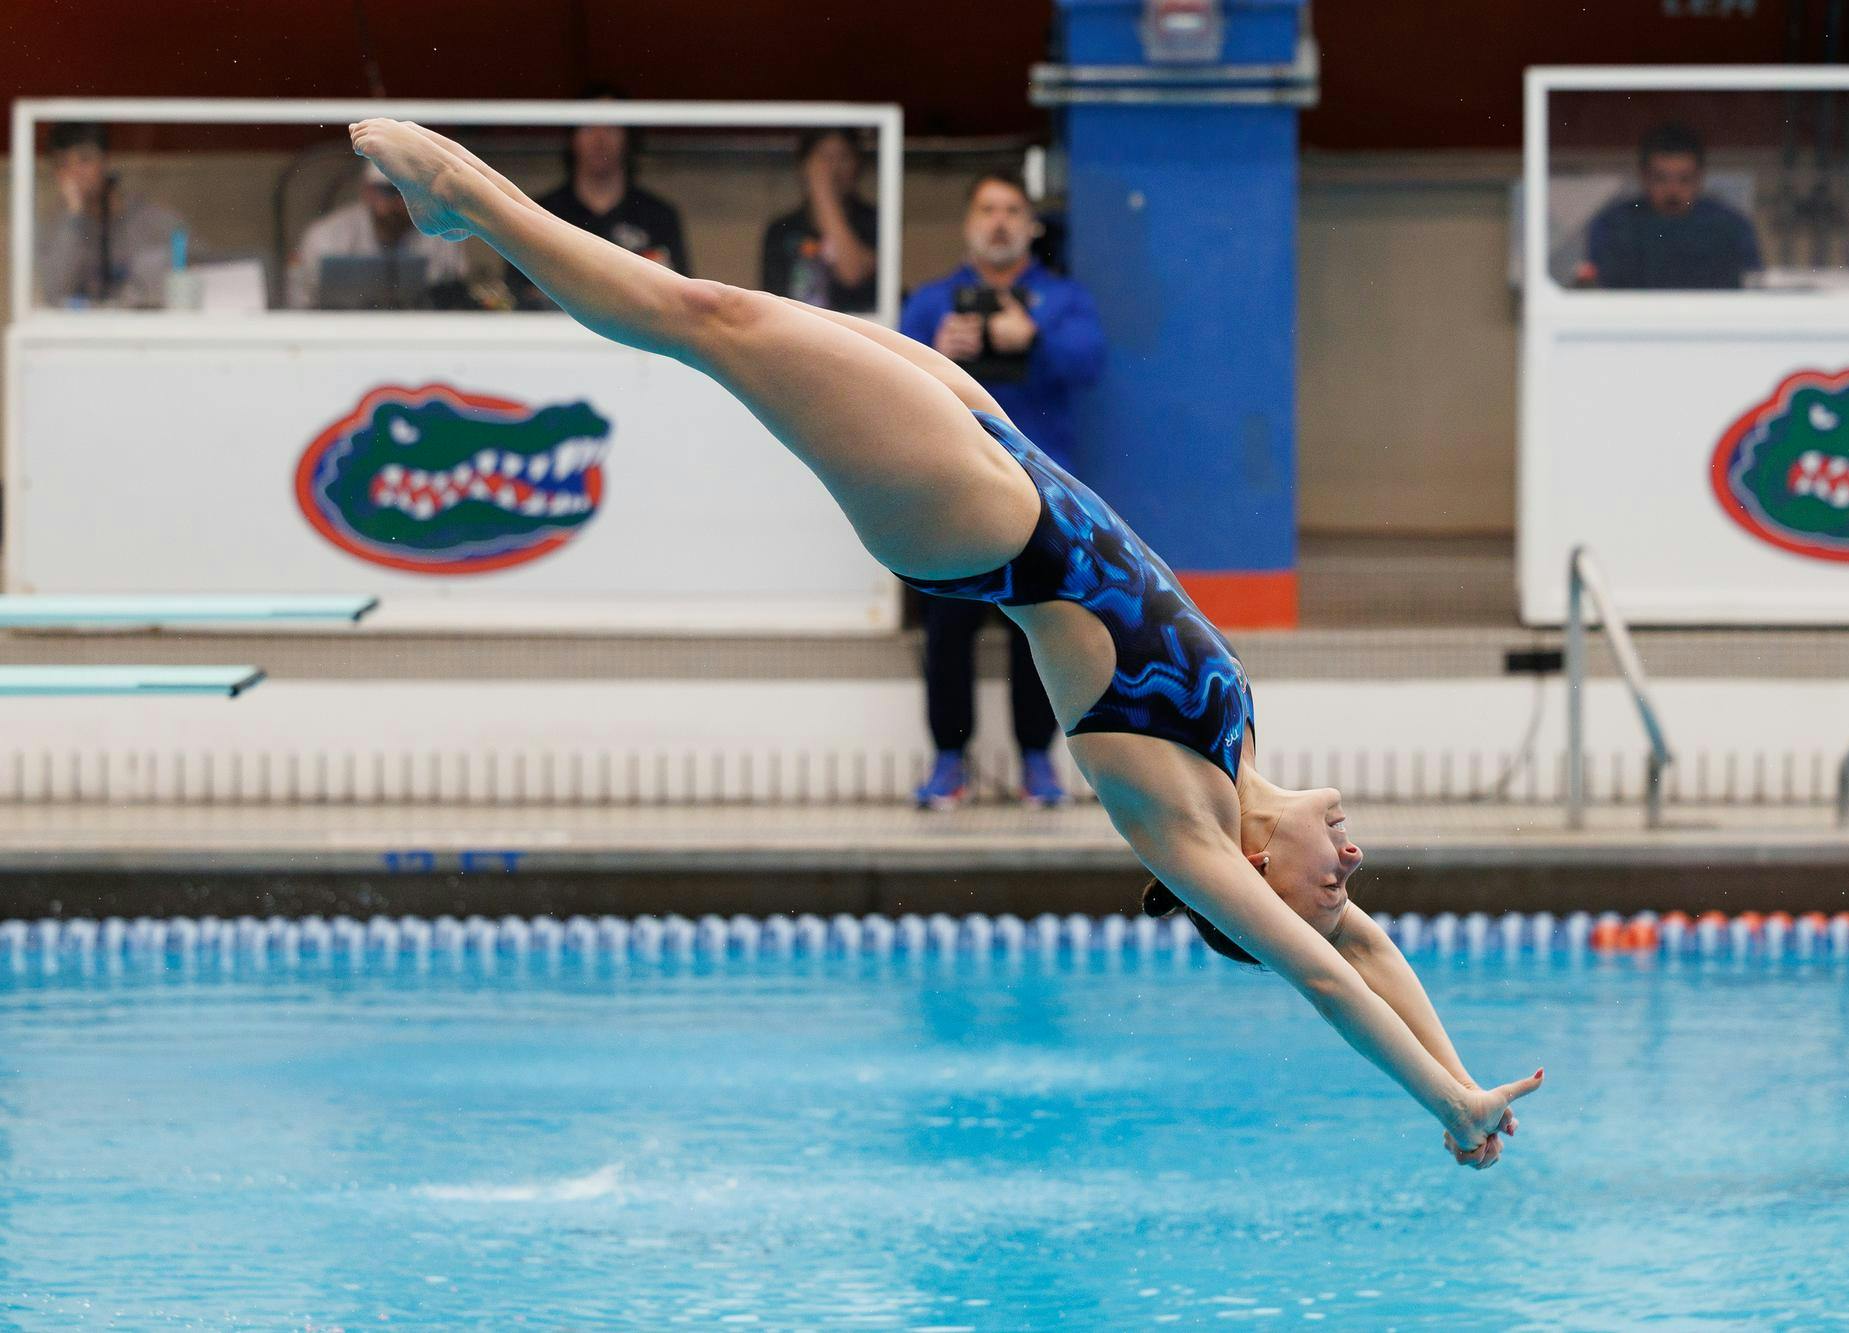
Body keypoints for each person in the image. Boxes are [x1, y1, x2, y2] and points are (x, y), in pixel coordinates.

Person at [350, 117, 1542, 1169]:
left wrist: (1437, 1100)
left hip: (970, 519)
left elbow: (1329, 974)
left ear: (1254, 892)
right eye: (1346, 883)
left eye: (1325, 886)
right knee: (728, 315)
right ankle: (463, 199)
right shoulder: (1236, 754)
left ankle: (463, 200)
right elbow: (1370, 949)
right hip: (1005, 450)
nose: (1348, 866)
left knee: (705, 321)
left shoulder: (1178, 823)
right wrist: (1467, 1080)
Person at [900, 171, 1108, 809]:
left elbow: (1090, 362)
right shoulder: (934, 303)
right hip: (955, 492)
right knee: (949, 626)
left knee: (1041, 628)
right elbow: (889, 378)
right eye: (987, 209)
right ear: (969, 224)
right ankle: (947, 760)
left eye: (1012, 211)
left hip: (1041, 492)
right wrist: (937, 355)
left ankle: (1038, 761)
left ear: (1031, 226)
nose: (999, 222)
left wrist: (1034, 339)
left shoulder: (1062, 301)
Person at [508, 94, 692, 310]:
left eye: (611, 127)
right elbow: (517, 295)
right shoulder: (539, 212)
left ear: (628, 137)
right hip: (554, 338)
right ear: (572, 137)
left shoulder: (658, 215)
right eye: (588, 127)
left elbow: (681, 299)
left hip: (636, 340)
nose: (600, 138)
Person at [1579, 123, 1762, 290]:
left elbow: (1753, 289)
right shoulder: (1613, 226)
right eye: (1661, 179)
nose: (1672, 191)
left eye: (1684, 180)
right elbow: (1598, 292)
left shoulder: (1731, 227)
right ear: (1643, 177)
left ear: (1700, 179)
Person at [36, 121, 189, 309]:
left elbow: (197, 272)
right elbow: (55, 294)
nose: (75, 173)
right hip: (84, 335)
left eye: (85, 159)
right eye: (63, 164)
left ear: (106, 161)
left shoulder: (155, 219)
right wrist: (74, 217)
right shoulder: (55, 229)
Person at [288, 162, 471, 309]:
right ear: (367, 192)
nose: (400, 201)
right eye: (390, 191)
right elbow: (302, 303)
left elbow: (453, 300)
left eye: (407, 192)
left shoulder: (442, 234)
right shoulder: (327, 236)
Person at [759, 128, 879, 313]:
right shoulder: (782, 230)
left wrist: (824, 193)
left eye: (843, 157)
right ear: (804, 166)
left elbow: (852, 273)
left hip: (856, 332)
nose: (834, 168)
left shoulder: (874, 221)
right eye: (824, 157)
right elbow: (771, 305)